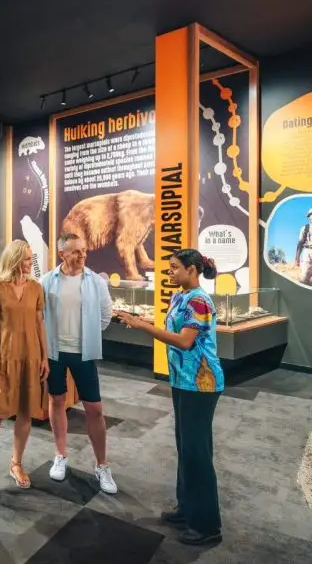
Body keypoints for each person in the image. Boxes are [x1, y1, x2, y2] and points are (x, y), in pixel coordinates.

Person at [116, 249, 224, 546]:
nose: (169, 273)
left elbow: (185, 342)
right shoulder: (180, 297)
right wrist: (142, 320)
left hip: (201, 384)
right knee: (185, 447)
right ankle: (187, 508)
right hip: (183, 381)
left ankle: (207, 525)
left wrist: (143, 326)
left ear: (192, 270)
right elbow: (173, 328)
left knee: (197, 452)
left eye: (174, 268)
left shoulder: (200, 301)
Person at [0, 240, 48, 501]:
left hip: (30, 358)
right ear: (13, 260)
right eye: (25, 259)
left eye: (30, 258)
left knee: (25, 412)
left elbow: (39, 325)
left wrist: (44, 357)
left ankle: (16, 463)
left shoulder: (36, 288)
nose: (29, 263)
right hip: (4, 360)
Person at [41, 233, 117, 494]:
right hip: (54, 352)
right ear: (62, 254)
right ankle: (60, 455)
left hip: (83, 353)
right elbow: (40, 316)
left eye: (84, 250)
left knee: (94, 408)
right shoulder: (46, 281)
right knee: (57, 401)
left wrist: (90, 335)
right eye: (75, 251)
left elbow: (106, 315)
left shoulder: (96, 281)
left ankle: (102, 465)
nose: (82, 255)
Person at [295, 208, 312, 285]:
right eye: (310, 215)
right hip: (307, 251)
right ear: (308, 217)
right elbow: (300, 243)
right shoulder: (304, 228)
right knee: (304, 276)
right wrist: (297, 258)